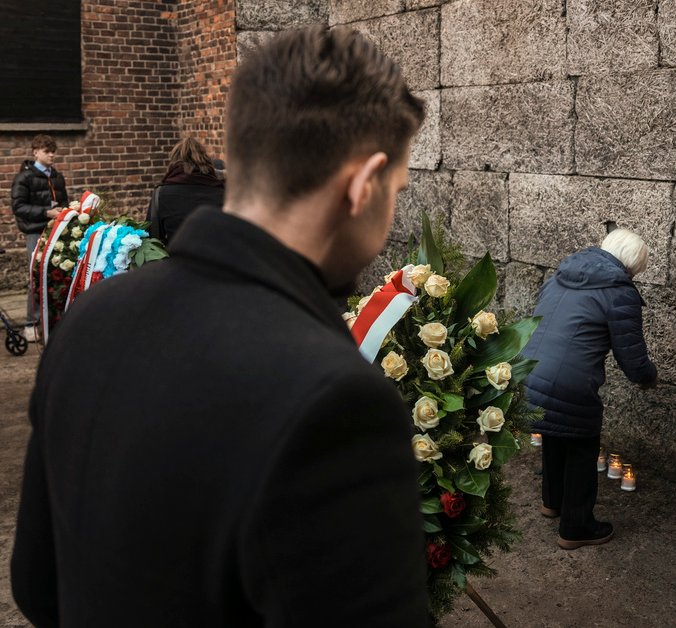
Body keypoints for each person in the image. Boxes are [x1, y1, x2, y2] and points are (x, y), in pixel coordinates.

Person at [12, 26, 428, 627]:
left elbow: (35, 584)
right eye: (396, 190)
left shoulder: (91, 319)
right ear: (363, 186)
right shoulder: (337, 403)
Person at [521, 228, 658, 550]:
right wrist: (648, 379)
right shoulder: (619, 291)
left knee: (556, 430)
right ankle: (576, 526)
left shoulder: (561, 274)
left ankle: (552, 502)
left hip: (528, 370)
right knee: (582, 445)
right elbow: (632, 357)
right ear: (631, 267)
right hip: (570, 381)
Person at [10, 134, 69, 342]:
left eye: (54, 151)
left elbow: (64, 202)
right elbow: (18, 207)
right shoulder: (24, 178)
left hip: (57, 232)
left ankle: (54, 322)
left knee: (57, 275)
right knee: (36, 277)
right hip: (36, 232)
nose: (52, 154)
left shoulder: (57, 176)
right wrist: (46, 212)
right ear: (36, 152)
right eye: (47, 151)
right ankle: (31, 324)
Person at [146, 136, 226, 244]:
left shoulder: (161, 194)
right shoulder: (222, 192)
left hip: (177, 258)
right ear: (205, 159)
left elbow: (152, 239)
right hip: (216, 259)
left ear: (174, 161)